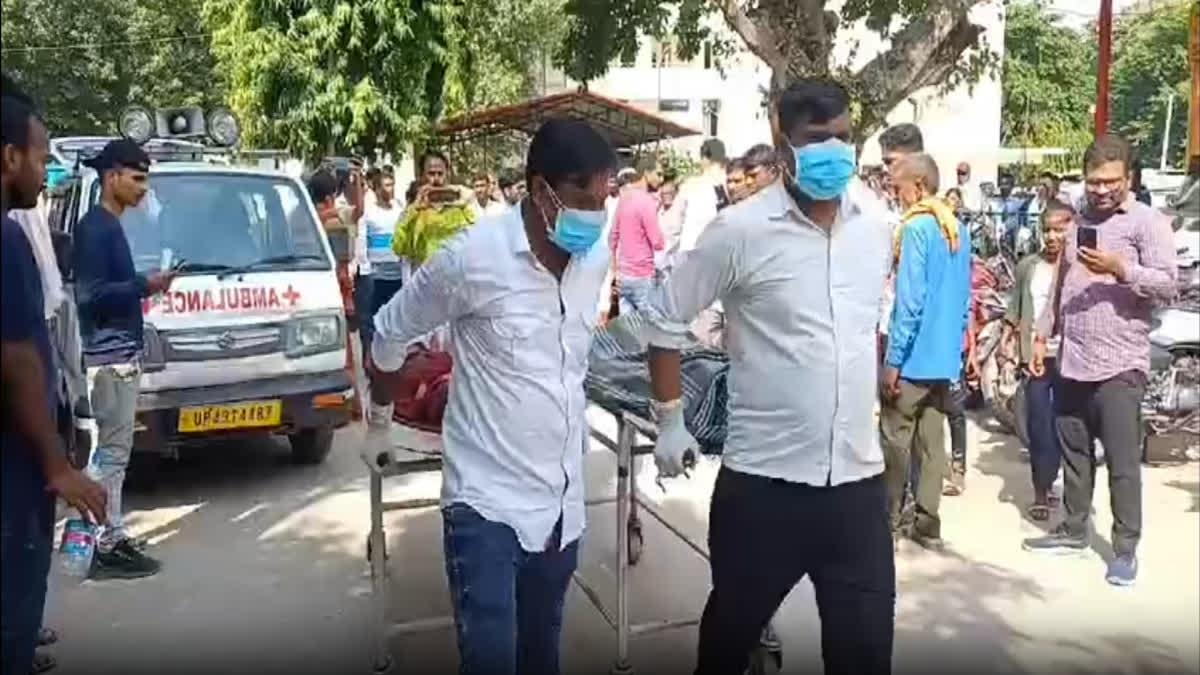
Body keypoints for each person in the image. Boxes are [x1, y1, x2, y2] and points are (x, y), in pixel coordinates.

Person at [634, 79, 896, 675]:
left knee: (866, 655)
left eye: (844, 138)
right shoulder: (738, 232)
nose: (834, 151)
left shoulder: (876, 223)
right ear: (782, 142)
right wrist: (669, 419)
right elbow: (663, 319)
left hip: (856, 485)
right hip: (764, 486)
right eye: (816, 139)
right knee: (730, 640)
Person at [367, 119, 616, 675]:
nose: (595, 215)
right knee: (491, 658)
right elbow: (388, 331)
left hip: (561, 503)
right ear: (538, 190)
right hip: (485, 501)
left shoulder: (594, 258)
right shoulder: (470, 259)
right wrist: (379, 420)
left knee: (541, 654)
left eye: (604, 198)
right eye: (582, 198)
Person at [1023, 135, 1177, 587]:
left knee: (1123, 463)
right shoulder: (1078, 221)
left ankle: (1125, 548)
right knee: (1075, 453)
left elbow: (1169, 285)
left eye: (1111, 181)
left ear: (1128, 179)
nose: (1102, 190)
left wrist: (1120, 269)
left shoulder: (1149, 223)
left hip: (1120, 363)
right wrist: (1042, 336)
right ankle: (1073, 529)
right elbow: (1061, 285)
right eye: (1094, 182)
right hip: (1072, 359)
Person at [2, 84, 108, 675]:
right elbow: (17, 359)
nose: (47, 175)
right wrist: (56, 465)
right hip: (15, 472)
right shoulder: (7, 237)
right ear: (8, 156)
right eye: (41, 159)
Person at [73, 139, 176, 580]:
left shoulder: (107, 225)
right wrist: (145, 286)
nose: (142, 189)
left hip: (119, 355)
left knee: (114, 452)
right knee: (110, 456)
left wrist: (139, 284)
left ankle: (107, 536)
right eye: (137, 179)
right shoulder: (95, 228)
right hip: (110, 358)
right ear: (111, 176)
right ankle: (98, 545)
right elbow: (90, 296)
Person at [880, 153, 972, 551]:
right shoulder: (957, 229)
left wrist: (893, 361)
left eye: (897, 186)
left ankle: (888, 521)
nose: (894, 194)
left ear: (917, 186)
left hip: (914, 357)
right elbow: (964, 299)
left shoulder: (916, 228)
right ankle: (927, 523)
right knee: (933, 443)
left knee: (894, 439)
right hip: (943, 358)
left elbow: (911, 302)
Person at [1004, 199, 1072, 521]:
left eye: (1059, 228)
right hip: (1036, 357)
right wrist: (1008, 345)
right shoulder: (1027, 267)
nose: (1052, 235)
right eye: (1047, 228)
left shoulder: (1078, 269)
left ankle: (1055, 479)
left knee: (1066, 425)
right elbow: (1015, 311)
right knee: (1038, 424)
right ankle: (1040, 490)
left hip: (1071, 357)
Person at [392, 151, 476, 267]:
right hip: (425, 280)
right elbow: (399, 248)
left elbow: (477, 243)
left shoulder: (461, 210)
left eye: (440, 173)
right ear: (421, 176)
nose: (436, 179)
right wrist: (414, 209)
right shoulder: (413, 212)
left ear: (447, 174)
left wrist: (466, 201)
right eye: (431, 174)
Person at [357, 167, 407, 361]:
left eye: (392, 184)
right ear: (377, 189)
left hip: (398, 276)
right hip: (377, 279)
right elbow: (363, 245)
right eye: (386, 185)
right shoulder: (369, 214)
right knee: (375, 323)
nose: (391, 189)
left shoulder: (400, 210)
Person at [609, 156, 665, 313]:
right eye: (659, 174)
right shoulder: (646, 201)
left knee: (628, 331)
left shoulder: (624, 198)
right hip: (643, 277)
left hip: (623, 277)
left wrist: (615, 272)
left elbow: (612, 237)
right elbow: (657, 241)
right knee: (649, 330)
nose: (661, 179)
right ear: (647, 173)